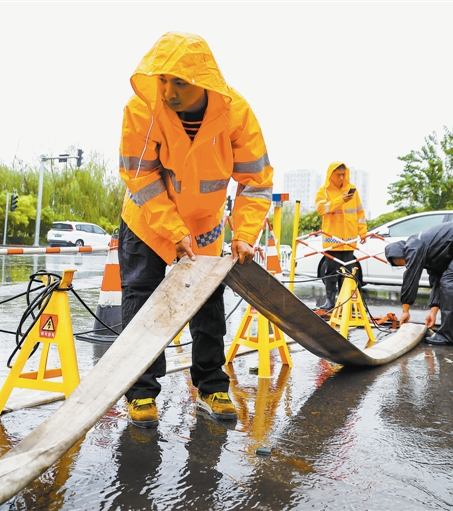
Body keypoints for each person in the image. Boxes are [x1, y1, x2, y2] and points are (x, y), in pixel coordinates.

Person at [118, 32, 273, 428]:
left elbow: (255, 181)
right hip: (148, 220)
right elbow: (141, 178)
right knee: (142, 298)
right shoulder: (141, 109)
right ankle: (141, 394)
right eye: (163, 80)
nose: (167, 91)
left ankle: (211, 387)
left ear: (202, 82)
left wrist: (244, 233)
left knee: (207, 300)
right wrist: (170, 227)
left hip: (204, 224)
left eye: (179, 82)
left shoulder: (236, 113)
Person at [314, 161, 368, 311]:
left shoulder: (353, 190)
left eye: (343, 174)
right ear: (331, 175)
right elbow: (321, 209)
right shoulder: (323, 192)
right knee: (330, 272)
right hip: (332, 241)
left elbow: (360, 212)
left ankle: (344, 303)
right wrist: (340, 200)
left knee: (348, 273)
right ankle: (330, 302)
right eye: (338, 175)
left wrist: (362, 231)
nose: (341, 178)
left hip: (349, 241)